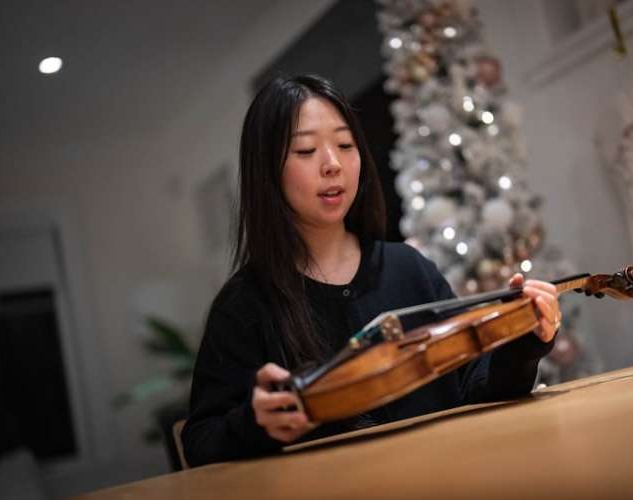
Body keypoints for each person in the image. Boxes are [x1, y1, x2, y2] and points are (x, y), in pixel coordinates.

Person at [182, 74, 561, 467]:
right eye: (306, 150)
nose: (333, 164)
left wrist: (526, 343)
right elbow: (200, 442)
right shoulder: (244, 304)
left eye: (345, 145)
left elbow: (475, 385)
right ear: (267, 170)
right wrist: (254, 424)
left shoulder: (408, 267)